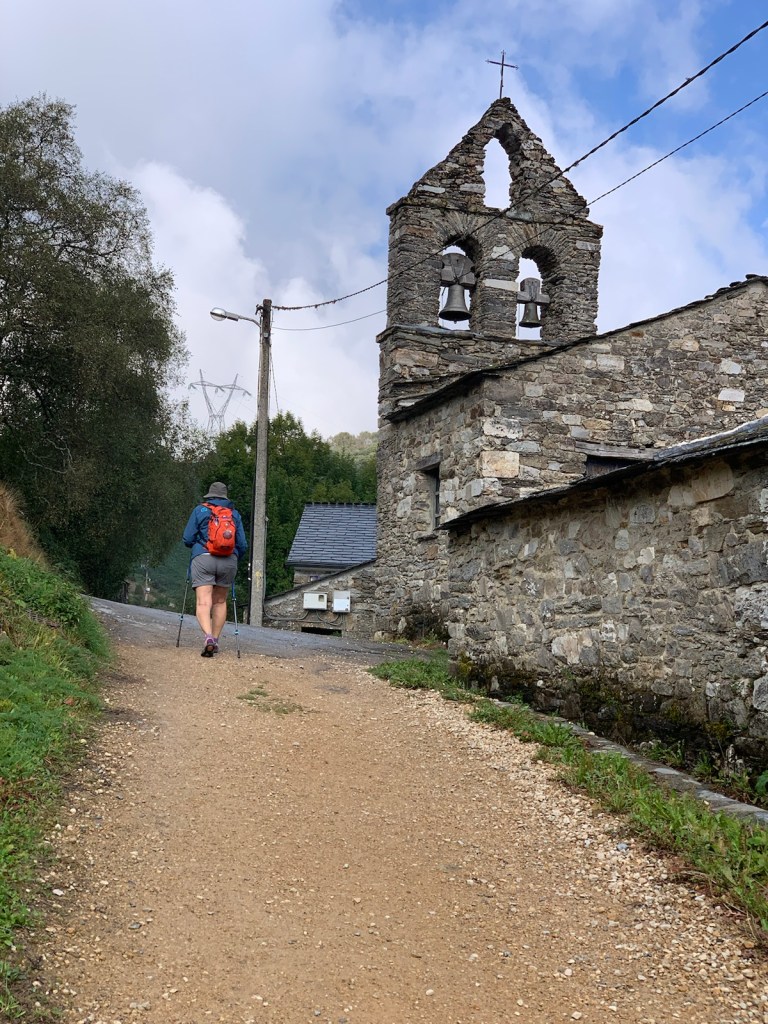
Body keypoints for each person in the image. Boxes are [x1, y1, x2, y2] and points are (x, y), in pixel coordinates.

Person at [182, 482, 248, 657]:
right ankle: (216, 640)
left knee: (203, 602)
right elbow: (242, 544)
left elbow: (187, 538)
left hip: (203, 558)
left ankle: (208, 637)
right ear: (225, 497)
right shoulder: (234, 514)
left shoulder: (200, 510)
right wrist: (234, 557)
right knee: (219, 601)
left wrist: (198, 546)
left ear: (209, 496)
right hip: (228, 561)